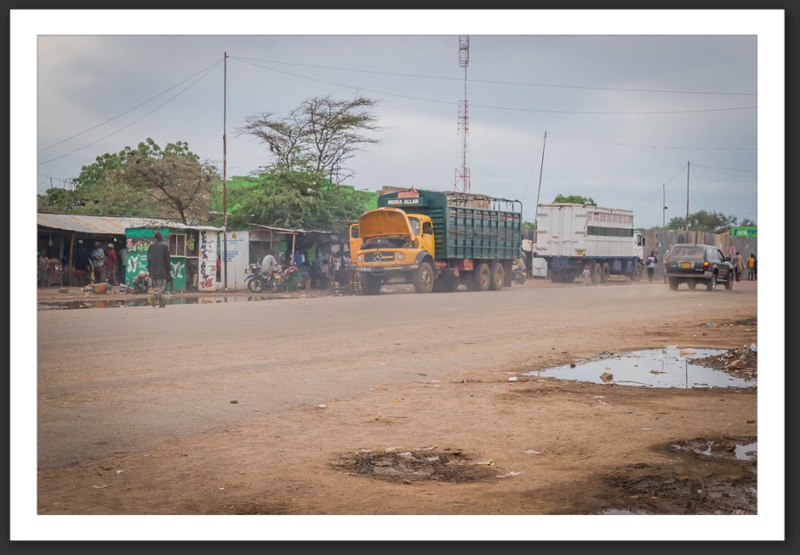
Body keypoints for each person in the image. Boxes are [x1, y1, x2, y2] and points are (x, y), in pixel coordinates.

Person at [147, 230, 171, 308]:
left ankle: (162, 303)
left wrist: (149, 270)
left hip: (154, 270)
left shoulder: (151, 246)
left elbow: (149, 259)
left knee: (157, 288)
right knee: (162, 288)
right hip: (162, 270)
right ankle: (154, 296)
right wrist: (168, 270)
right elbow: (167, 260)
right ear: (160, 237)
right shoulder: (165, 246)